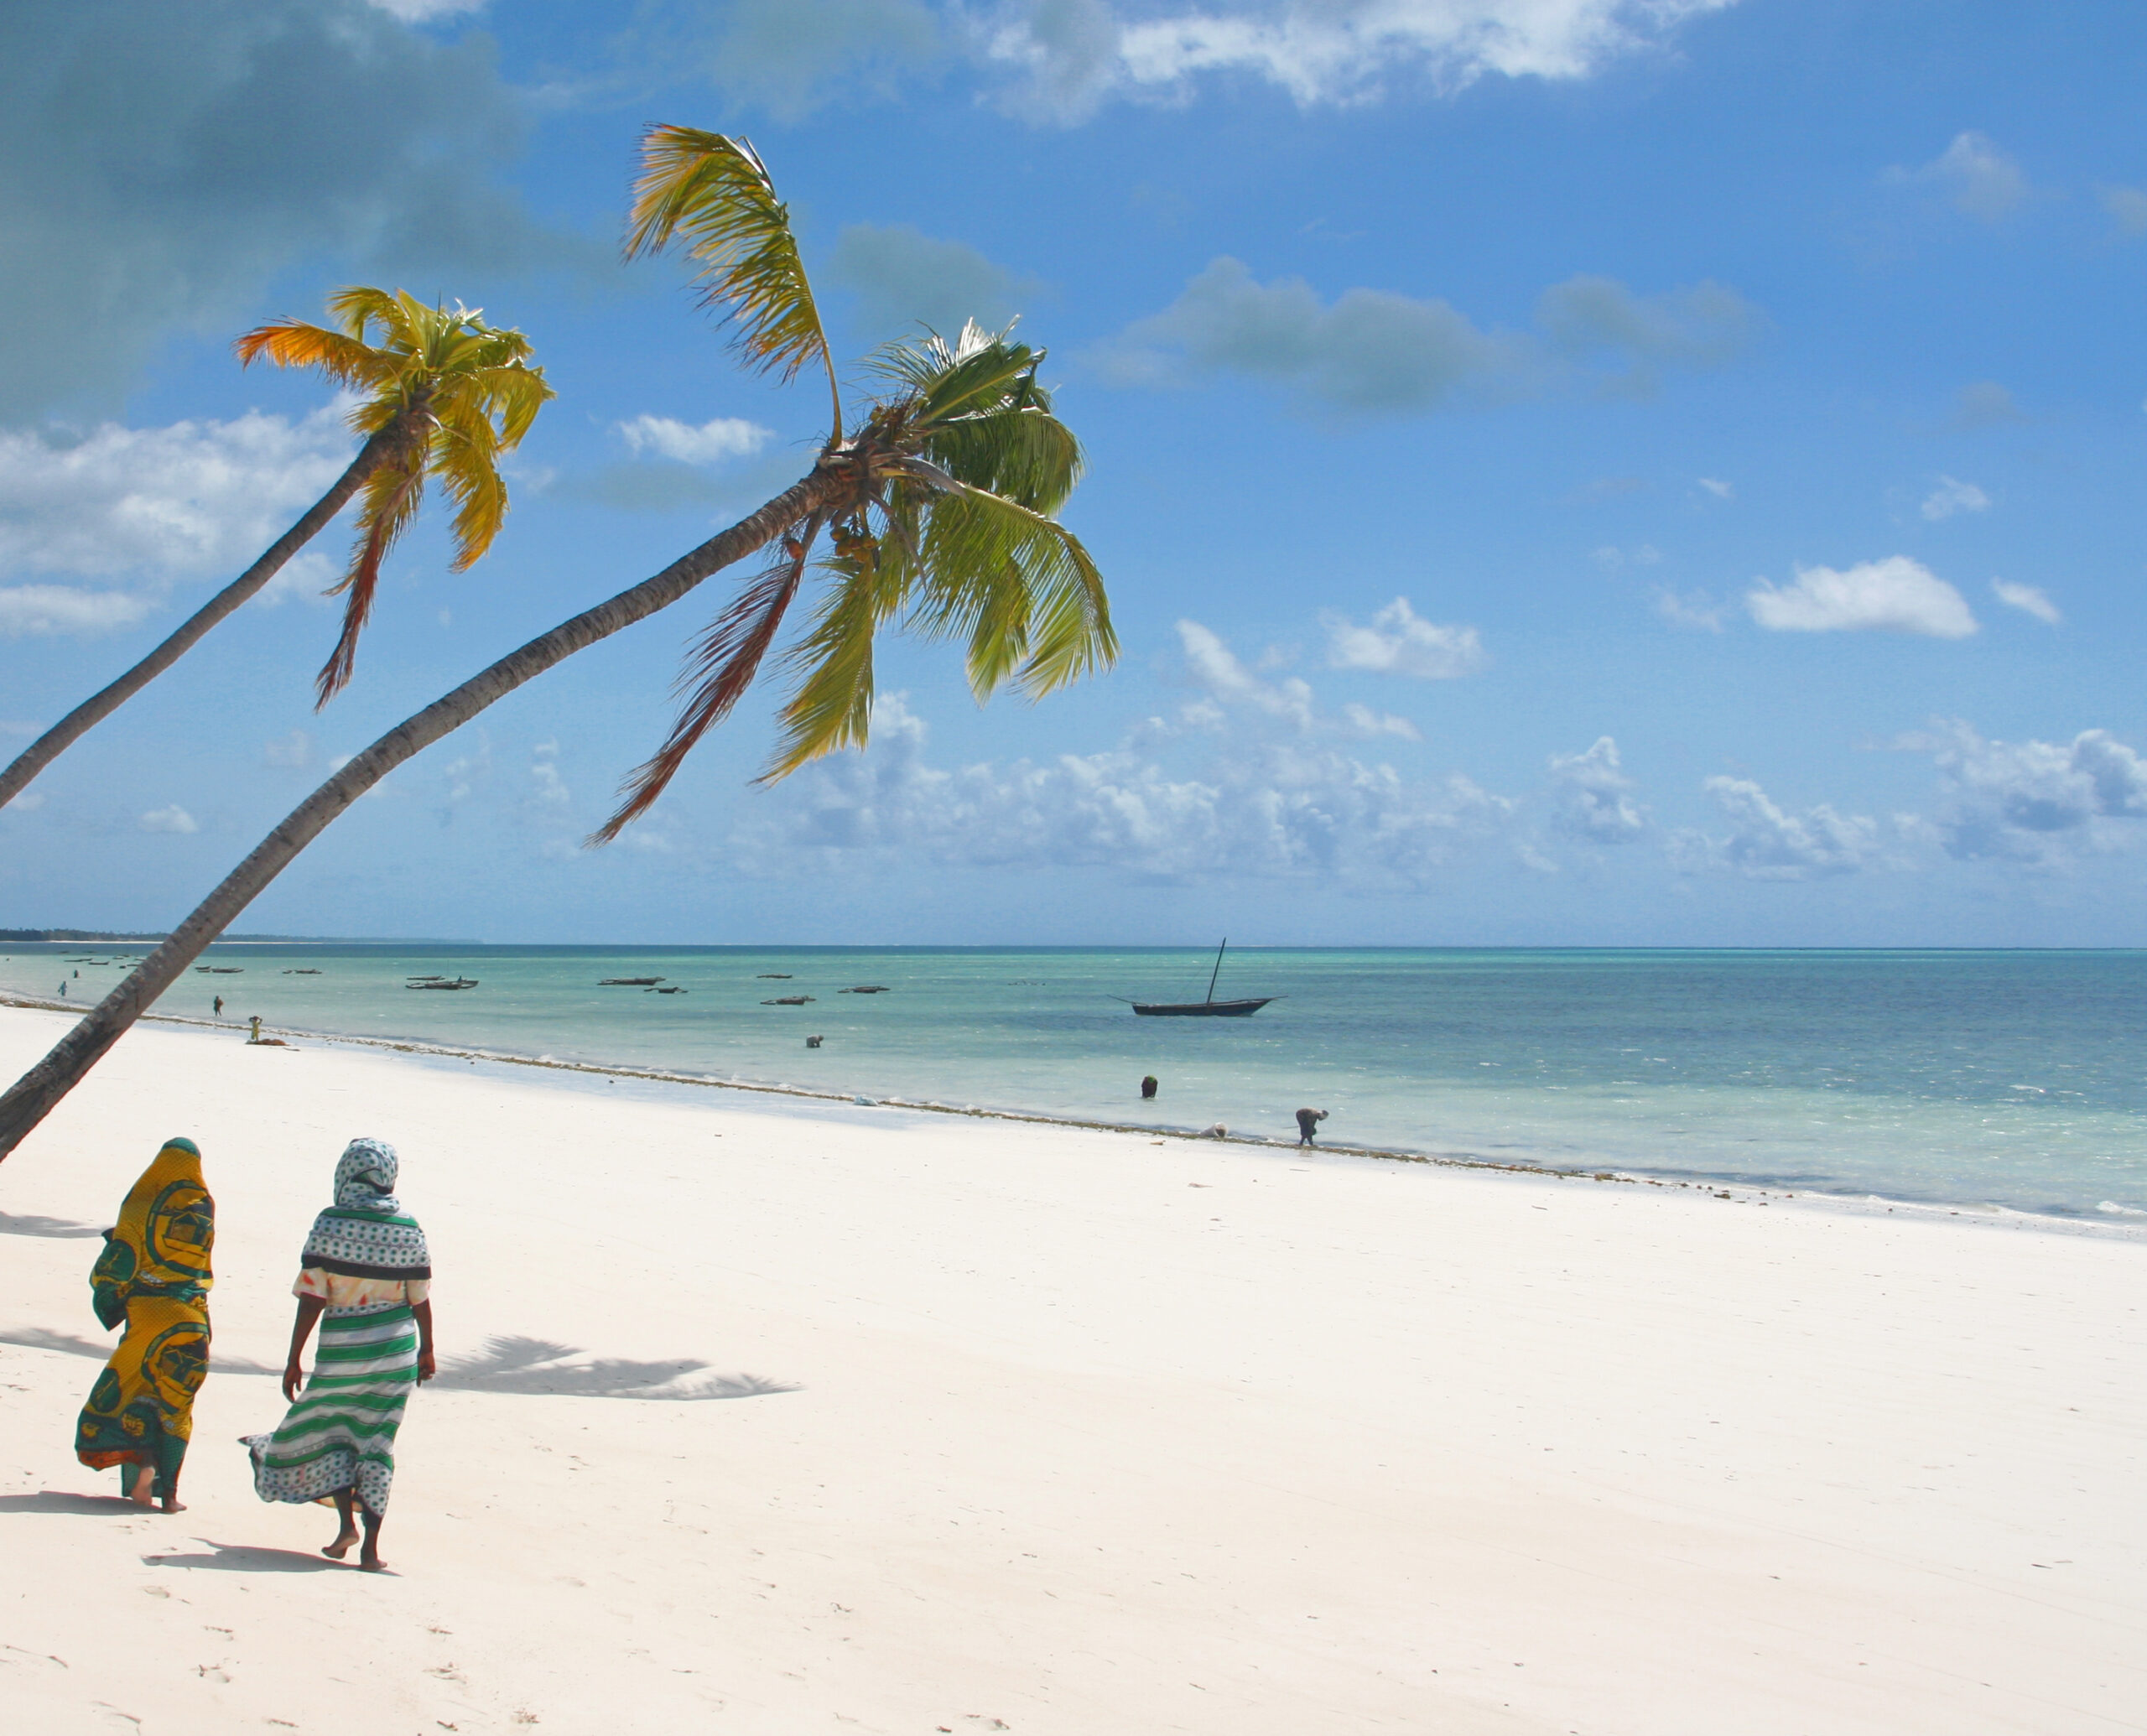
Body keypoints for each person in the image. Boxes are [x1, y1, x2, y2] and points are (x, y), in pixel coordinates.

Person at [243, 1137, 434, 1572]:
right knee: (376, 1443)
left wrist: (295, 1357)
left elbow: (311, 1297)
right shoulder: (407, 1226)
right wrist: (427, 1350)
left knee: (334, 1433)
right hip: (395, 1353)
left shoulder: (331, 1224)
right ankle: (368, 1549)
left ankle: (347, 1524)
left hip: (344, 1350)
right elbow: (419, 1296)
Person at [75, 1137, 214, 1512]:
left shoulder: (141, 1202)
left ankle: (141, 1473)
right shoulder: (202, 1204)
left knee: (126, 1393)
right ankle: (167, 1495)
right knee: (175, 1406)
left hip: (151, 1316)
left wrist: (109, 1294)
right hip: (194, 1320)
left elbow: (124, 1258)